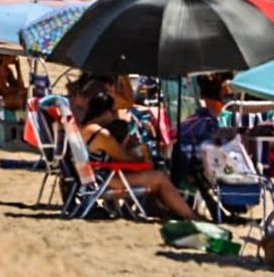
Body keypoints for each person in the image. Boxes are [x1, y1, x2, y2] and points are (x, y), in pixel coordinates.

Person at [77, 91, 197, 219]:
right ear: (105, 111)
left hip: (93, 177)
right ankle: (191, 216)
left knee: (154, 177)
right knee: (160, 178)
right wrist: (138, 151)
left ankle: (170, 211)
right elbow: (125, 159)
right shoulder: (100, 133)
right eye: (113, 112)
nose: (114, 117)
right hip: (104, 180)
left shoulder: (86, 128)